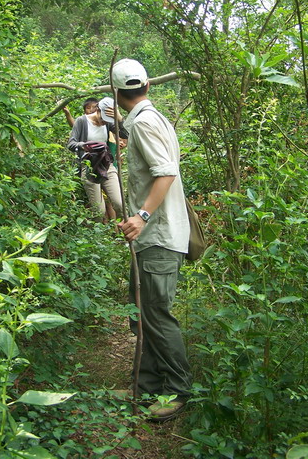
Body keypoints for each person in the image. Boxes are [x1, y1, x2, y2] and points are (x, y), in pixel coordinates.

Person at [112, 58, 192, 422]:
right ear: (147, 85)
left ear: (116, 93)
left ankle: (177, 390)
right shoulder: (153, 118)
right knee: (143, 315)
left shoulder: (144, 123)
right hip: (157, 237)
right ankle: (144, 387)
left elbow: (166, 172)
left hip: (159, 236)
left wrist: (141, 216)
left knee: (156, 316)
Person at [67, 97, 127, 220]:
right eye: (103, 119)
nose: (104, 122)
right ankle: (98, 230)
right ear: (97, 110)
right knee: (99, 211)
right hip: (89, 166)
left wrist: (120, 119)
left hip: (106, 164)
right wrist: (85, 146)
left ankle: (124, 230)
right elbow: (71, 144)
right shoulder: (82, 121)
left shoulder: (108, 123)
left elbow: (126, 134)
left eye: (107, 120)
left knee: (120, 204)